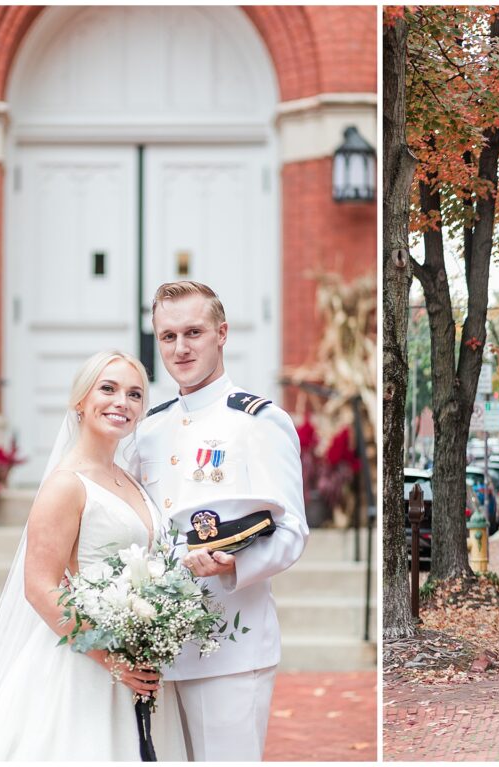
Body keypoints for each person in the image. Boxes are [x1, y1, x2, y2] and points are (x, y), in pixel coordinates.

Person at [0, 351, 187, 760]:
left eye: (134, 394)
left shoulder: (130, 480)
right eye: (107, 389)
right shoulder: (66, 484)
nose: (121, 402)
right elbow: (39, 587)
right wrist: (109, 659)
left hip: (137, 660)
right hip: (84, 667)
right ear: (80, 401)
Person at [131, 280, 308, 761]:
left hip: (229, 646)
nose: (181, 348)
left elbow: (292, 532)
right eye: (168, 336)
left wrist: (233, 566)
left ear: (222, 333)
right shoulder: (148, 430)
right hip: (160, 651)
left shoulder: (258, 422)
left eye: (193, 332)